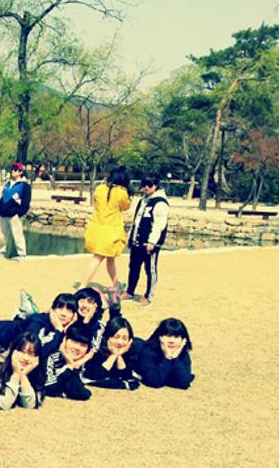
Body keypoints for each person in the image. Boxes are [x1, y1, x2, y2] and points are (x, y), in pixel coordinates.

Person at [79, 166, 132, 294]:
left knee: (110, 259)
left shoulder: (100, 188)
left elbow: (96, 202)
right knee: (98, 258)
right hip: (111, 231)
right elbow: (126, 206)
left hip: (96, 228)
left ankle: (116, 284)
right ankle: (82, 285)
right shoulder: (121, 192)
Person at [0, 330, 45, 410]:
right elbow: (4, 404)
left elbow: (29, 405)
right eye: (22, 352)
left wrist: (23, 375)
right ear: (13, 351)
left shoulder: (33, 370)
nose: (26, 358)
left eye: (31, 354)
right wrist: (16, 374)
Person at [124, 176, 170, 306]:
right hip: (137, 241)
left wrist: (152, 241)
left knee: (150, 269)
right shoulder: (142, 201)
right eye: (144, 185)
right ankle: (130, 291)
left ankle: (148, 295)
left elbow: (159, 225)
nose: (146, 188)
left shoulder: (160, 203)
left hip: (149, 243)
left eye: (149, 185)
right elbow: (136, 221)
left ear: (156, 185)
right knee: (133, 267)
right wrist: (130, 237)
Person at [81, 317, 140, 390]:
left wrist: (118, 355)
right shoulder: (96, 350)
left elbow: (125, 377)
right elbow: (96, 376)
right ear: (108, 337)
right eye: (116, 337)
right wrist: (113, 355)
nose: (120, 342)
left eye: (124, 338)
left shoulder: (129, 351)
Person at [135, 318, 194, 389]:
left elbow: (184, 382)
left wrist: (175, 358)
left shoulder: (183, 354)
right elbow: (155, 381)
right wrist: (167, 358)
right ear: (159, 337)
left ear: (183, 340)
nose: (172, 341)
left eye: (176, 337)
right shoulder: (148, 352)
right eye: (168, 336)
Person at [43, 326, 94, 401]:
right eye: (74, 342)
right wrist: (70, 366)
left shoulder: (79, 360)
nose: (77, 348)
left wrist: (73, 364)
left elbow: (81, 391)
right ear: (64, 340)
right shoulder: (51, 356)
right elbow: (48, 388)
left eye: (83, 345)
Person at [0, 162, 32, 260]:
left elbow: (26, 201)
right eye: (12, 169)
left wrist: (19, 213)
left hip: (14, 215)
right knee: (1, 235)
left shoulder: (24, 185)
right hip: (2, 213)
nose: (13, 171)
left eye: (15, 169)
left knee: (17, 235)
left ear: (20, 172)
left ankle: (22, 254)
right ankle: (1, 252)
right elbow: (3, 196)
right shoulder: (7, 183)